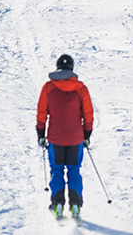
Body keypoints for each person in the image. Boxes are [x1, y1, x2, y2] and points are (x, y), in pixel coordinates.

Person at [36, 54, 94, 219]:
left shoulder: (48, 87)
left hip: (55, 139)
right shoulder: (81, 88)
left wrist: (40, 134)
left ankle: (58, 204)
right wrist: (87, 134)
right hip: (76, 138)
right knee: (74, 170)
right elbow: (88, 114)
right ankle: (75, 205)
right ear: (72, 68)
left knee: (57, 170)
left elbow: (41, 113)